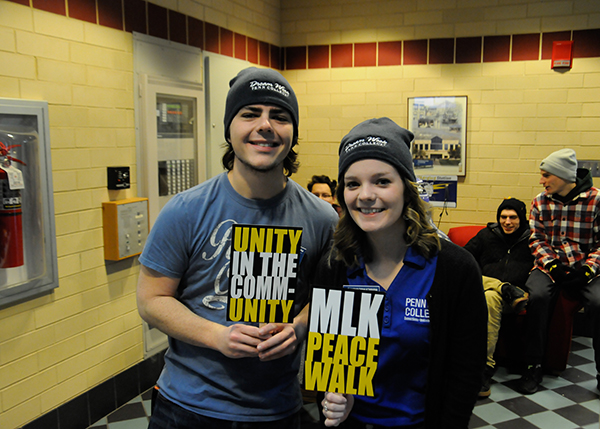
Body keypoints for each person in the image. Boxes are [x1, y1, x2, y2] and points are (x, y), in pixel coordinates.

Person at [136, 67, 339, 428]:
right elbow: (151, 300)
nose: (265, 125)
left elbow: (332, 298)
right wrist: (217, 336)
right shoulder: (185, 210)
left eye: (279, 116)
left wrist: (298, 327)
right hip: (187, 408)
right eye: (250, 114)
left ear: (293, 133)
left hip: (277, 409)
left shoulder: (322, 218)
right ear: (230, 128)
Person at [315, 117, 487, 428]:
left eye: (382, 181)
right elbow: (331, 368)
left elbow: (466, 373)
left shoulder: (454, 269)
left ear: (407, 189)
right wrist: (333, 400)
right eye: (353, 183)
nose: (365, 195)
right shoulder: (337, 265)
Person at [517, 148, 600, 395]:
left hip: (586, 267)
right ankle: (533, 365)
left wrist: (587, 270)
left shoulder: (596, 200)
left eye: (545, 175)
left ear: (563, 175)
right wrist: (552, 265)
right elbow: (536, 239)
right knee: (537, 297)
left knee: (599, 302)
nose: (541, 181)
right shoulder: (540, 201)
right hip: (549, 266)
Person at [463, 198, 533, 397]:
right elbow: (463, 259)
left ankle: (484, 369)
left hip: (518, 299)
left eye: (513, 217)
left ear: (522, 218)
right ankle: (504, 288)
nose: (507, 222)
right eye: (503, 217)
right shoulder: (486, 235)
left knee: (491, 298)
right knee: (491, 295)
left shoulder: (532, 238)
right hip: (483, 291)